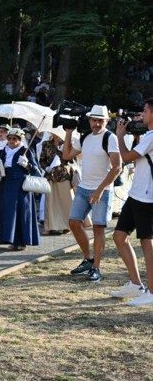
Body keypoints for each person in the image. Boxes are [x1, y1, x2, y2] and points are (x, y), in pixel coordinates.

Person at [62, 105, 122, 282]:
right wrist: (68, 132)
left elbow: (117, 167)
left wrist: (100, 190)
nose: (96, 124)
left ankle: (96, 268)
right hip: (84, 187)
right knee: (73, 222)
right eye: (94, 120)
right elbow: (66, 155)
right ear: (89, 120)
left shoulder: (109, 138)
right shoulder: (85, 137)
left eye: (100, 121)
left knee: (98, 228)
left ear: (106, 121)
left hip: (102, 189)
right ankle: (88, 259)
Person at [109, 99, 153, 306]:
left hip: (148, 197)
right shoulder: (146, 137)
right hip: (136, 194)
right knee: (119, 236)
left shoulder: (152, 137)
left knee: (147, 243)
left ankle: (151, 292)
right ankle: (136, 284)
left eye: (144, 111)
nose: (141, 115)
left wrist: (119, 136)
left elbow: (126, 157)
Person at [0, 128, 41, 250]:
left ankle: (22, 241)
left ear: (20, 140)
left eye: (14, 139)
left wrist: (27, 165)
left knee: (21, 212)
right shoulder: (2, 151)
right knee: (8, 212)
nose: (11, 141)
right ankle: (10, 239)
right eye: (9, 138)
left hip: (21, 186)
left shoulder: (25, 151)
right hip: (6, 184)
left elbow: (36, 170)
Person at [39, 126, 76, 235]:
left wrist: (63, 151)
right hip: (51, 175)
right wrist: (46, 167)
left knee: (66, 202)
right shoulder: (46, 144)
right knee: (50, 203)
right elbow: (42, 160)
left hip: (64, 175)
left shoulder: (67, 143)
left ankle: (67, 225)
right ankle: (50, 227)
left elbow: (72, 159)